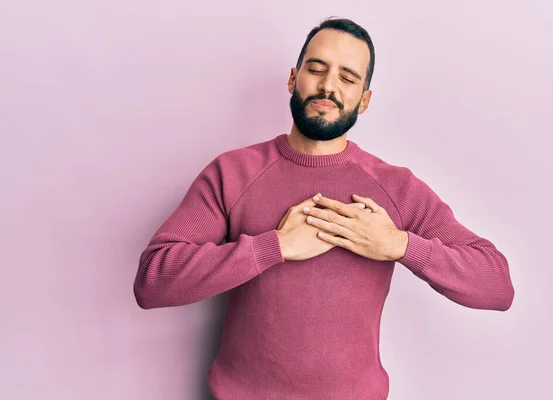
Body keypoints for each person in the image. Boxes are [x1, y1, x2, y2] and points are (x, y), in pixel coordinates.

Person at [133, 17, 515, 400]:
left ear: (363, 101)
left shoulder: (396, 188)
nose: (328, 85)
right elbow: (153, 282)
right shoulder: (233, 174)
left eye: (348, 78)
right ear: (293, 79)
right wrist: (274, 246)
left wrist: (398, 244)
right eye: (316, 69)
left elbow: (497, 286)